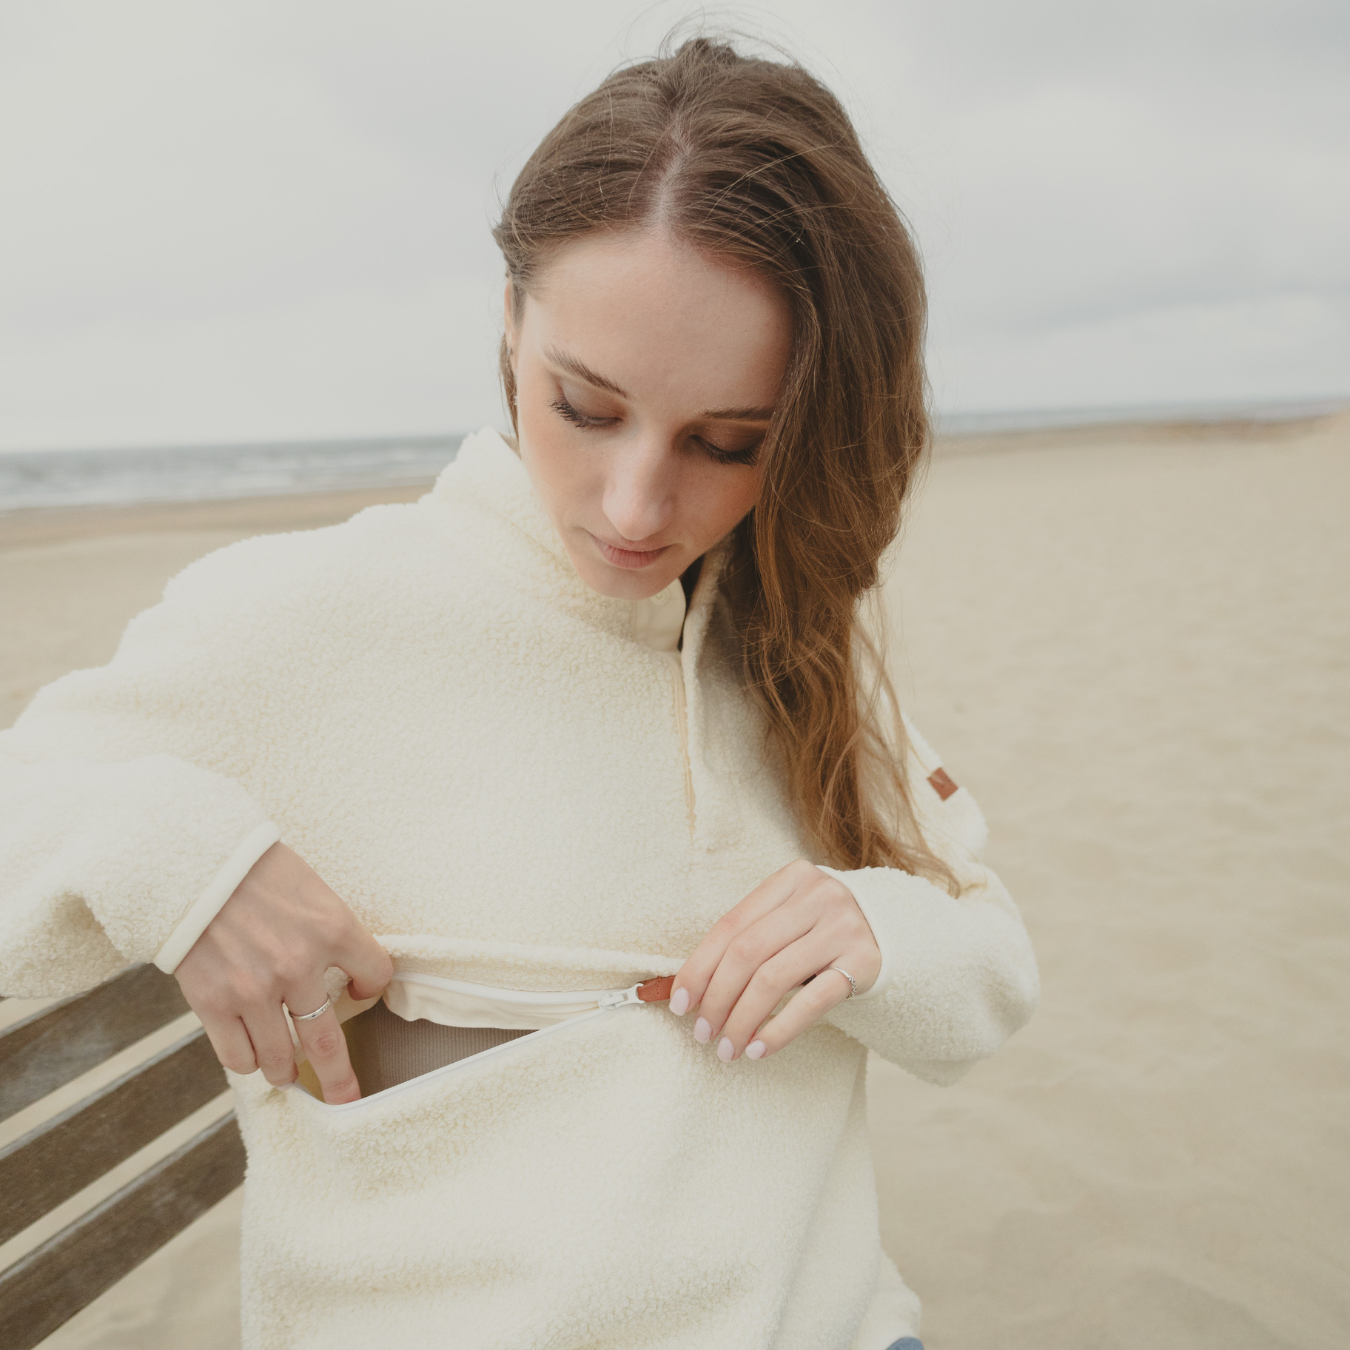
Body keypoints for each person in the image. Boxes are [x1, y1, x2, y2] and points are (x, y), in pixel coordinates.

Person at [0, 35, 1037, 1350]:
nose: (635, 505)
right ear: (508, 326)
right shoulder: (309, 615)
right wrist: (168, 851)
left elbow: (990, 962)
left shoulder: (784, 648)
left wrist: (874, 927)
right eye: (585, 406)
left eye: (727, 443)